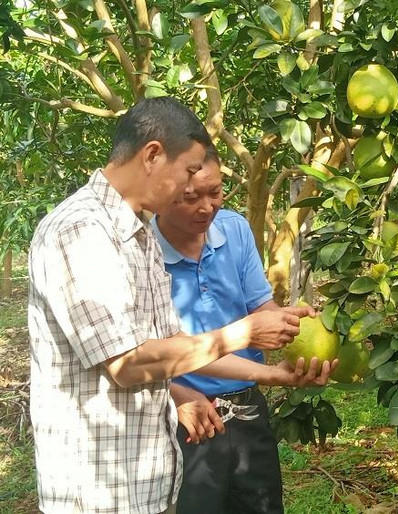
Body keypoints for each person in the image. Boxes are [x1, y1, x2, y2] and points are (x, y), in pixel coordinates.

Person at [28, 97, 313, 514]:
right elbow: (128, 364)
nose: (190, 188)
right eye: (187, 172)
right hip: (97, 489)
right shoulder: (81, 231)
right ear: (153, 156)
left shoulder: (135, 234)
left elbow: (175, 348)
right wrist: (244, 332)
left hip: (146, 477)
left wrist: (270, 374)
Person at [150, 147, 338, 514]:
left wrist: (292, 325)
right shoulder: (143, 253)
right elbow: (145, 353)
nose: (206, 207)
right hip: (190, 417)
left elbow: (260, 307)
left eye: (215, 192)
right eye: (191, 197)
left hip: (248, 408)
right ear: (161, 194)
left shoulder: (233, 230)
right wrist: (174, 393)